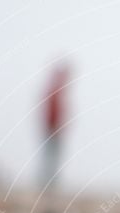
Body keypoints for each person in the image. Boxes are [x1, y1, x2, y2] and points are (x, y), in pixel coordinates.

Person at [41, 63, 70, 196]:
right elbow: (53, 112)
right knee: (51, 158)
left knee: (51, 158)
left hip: (53, 130)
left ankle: (49, 184)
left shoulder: (56, 91)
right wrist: (55, 127)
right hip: (53, 130)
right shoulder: (56, 91)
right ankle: (48, 185)